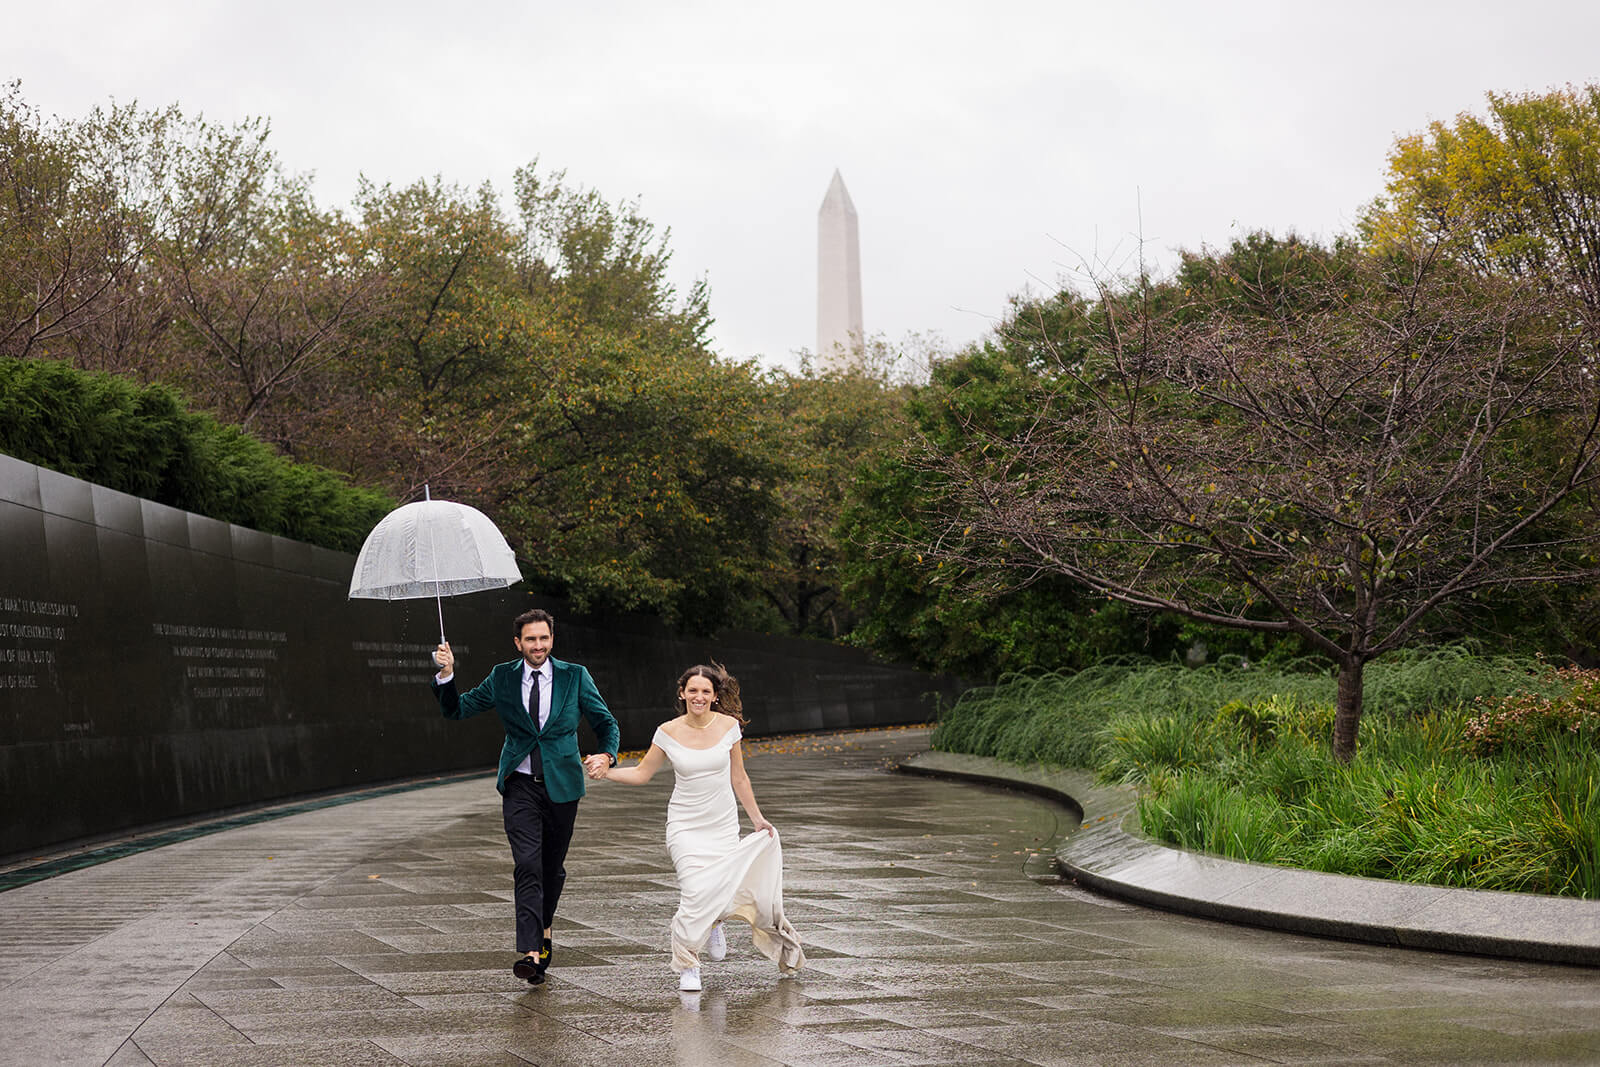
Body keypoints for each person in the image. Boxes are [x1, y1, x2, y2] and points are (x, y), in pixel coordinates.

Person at [431, 608, 619, 987]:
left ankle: (544, 927)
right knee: (527, 864)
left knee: (552, 868)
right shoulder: (503, 676)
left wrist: (607, 754)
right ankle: (531, 950)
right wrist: (446, 674)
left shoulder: (574, 676)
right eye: (530, 639)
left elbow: (605, 722)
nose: (538, 646)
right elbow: (457, 709)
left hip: (562, 785)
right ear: (518, 643)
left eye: (544, 638)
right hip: (519, 785)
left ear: (552, 639)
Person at [591, 663, 804, 992]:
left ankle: (715, 921)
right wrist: (606, 772)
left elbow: (739, 777)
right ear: (682, 693)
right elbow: (642, 773)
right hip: (684, 825)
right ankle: (688, 963)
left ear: (715, 696)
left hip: (721, 824)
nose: (699, 696)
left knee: (721, 887)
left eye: (706, 691)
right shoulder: (667, 731)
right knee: (693, 891)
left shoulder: (730, 727)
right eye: (693, 690)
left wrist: (758, 819)